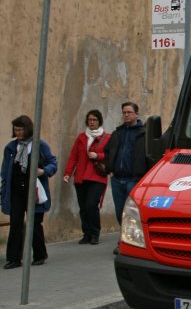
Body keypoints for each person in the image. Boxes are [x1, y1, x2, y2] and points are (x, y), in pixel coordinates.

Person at [1, 115, 58, 269]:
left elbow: (53, 163)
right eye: (16, 130)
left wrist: (43, 171)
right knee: (16, 223)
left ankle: (40, 254)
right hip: (16, 190)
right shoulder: (11, 148)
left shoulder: (39, 145)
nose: (18, 132)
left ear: (28, 129)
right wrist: (4, 190)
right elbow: (5, 170)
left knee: (34, 223)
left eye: (21, 129)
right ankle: (13, 258)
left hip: (34, 190)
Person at [63, 109, 110, 244]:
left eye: (94, 120)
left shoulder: (107, 138)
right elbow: (73, 157)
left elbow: (111, 156)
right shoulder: (81, 137)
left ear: (99, 121)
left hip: (97, 177)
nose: (92, 122)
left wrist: (98, 156)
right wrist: (68, 173)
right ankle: (86, 233)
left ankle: (95, 233)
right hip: (81, 177)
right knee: (83, 207)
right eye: (90, 120)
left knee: (91, 205)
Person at [103, 101, 147, 223]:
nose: (126, 115)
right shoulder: (117, 133)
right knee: (119, 212)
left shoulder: (144, 134)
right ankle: (124, 237)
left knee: (132, 212)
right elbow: (107, 151)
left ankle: (131, 240)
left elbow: (150, 156)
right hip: (117, 179)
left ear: (136, 114)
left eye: (129, 112)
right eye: (124, 113)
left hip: (134, 180)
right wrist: (109, 169)